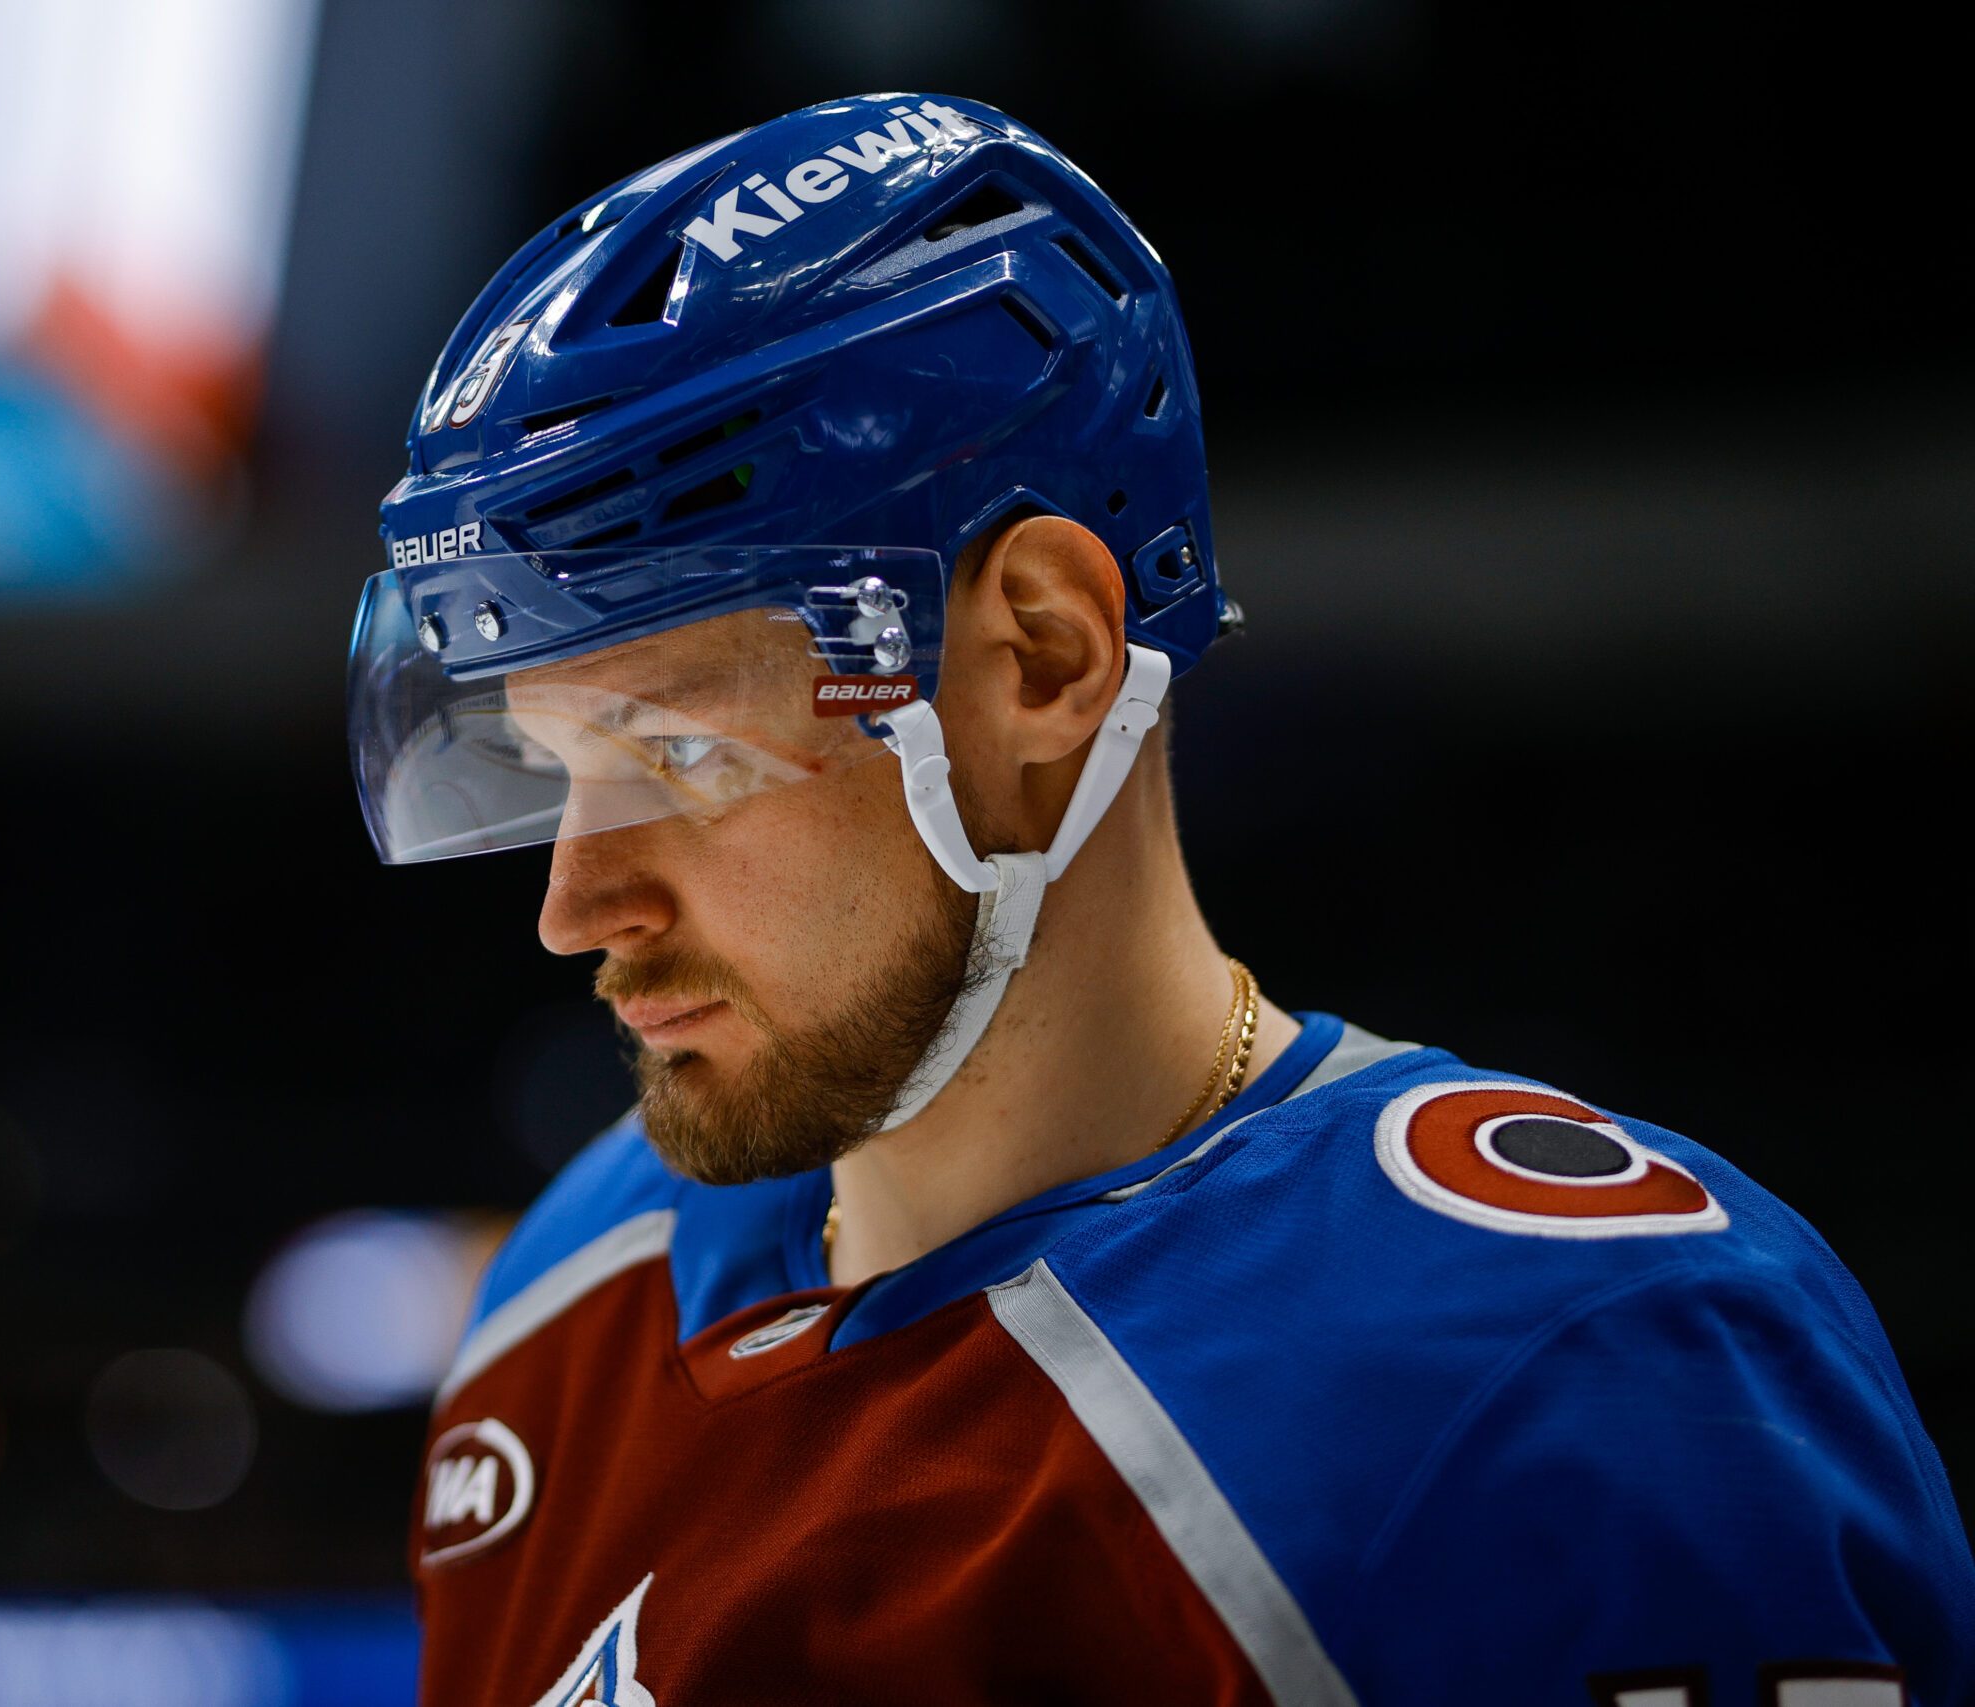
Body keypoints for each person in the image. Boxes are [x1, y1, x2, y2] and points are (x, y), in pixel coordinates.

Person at [344, 93, 1974, 1704]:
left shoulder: (1587, 1369)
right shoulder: (565, 1299)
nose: (573, 905)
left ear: (1040, 660)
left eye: (676, 749)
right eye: (557, 762)